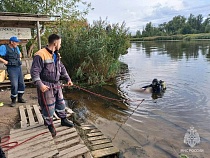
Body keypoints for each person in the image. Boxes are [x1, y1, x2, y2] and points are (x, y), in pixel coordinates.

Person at [30, 34, 74, 137]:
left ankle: (63, 120)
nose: (60, 45)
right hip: (46, 85)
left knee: (61, 103)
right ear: (55, 43)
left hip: (56, 84)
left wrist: (68, 79)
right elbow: (34, 72)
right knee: (48, 107)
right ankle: (49, 124)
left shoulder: (56, 54)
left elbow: (61, 67)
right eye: (60, 43)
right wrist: (40, 85)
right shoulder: (40, 55)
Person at [0, 36, 26, 107]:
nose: (17, 44)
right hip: (11, 68)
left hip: (18, 67)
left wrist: (19, 57)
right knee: (14, 85)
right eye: (16, 42)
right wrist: (4, 61)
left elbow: (20, 54)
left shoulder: (16, 47)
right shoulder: (4, 47)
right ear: (11, 42)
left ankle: (20, 98)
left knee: (22, 84)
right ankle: (13, 100)